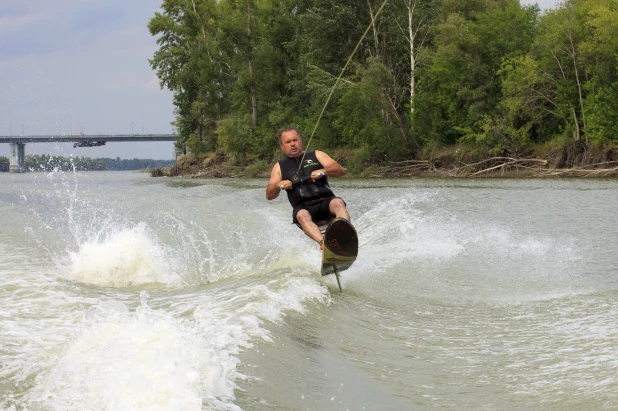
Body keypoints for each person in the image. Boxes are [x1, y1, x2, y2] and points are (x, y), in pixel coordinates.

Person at [266, 128, 350, 247]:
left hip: (325, 201)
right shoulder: (279, 167)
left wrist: (323, 171)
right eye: (288, 142)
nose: (293, 144)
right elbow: (269, 195)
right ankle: (324, 245)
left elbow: (341, 171)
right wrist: (278, 185)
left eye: (295, 140)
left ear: (301, 141)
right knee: (301, 215)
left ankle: (344, 233)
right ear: (282, 146)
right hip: (303, 208)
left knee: (338, 202)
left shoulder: (317, 155)